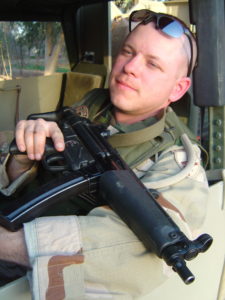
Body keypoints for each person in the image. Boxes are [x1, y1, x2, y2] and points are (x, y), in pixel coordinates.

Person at [0, 10, 209, 299]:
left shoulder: (179, 165)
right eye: (128, 51)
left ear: (178, 89)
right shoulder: (89, 108)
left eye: (152, 64)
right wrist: (22, 161)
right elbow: (28, 184)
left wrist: (8, 244)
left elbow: (136, 261)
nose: (130, 67)